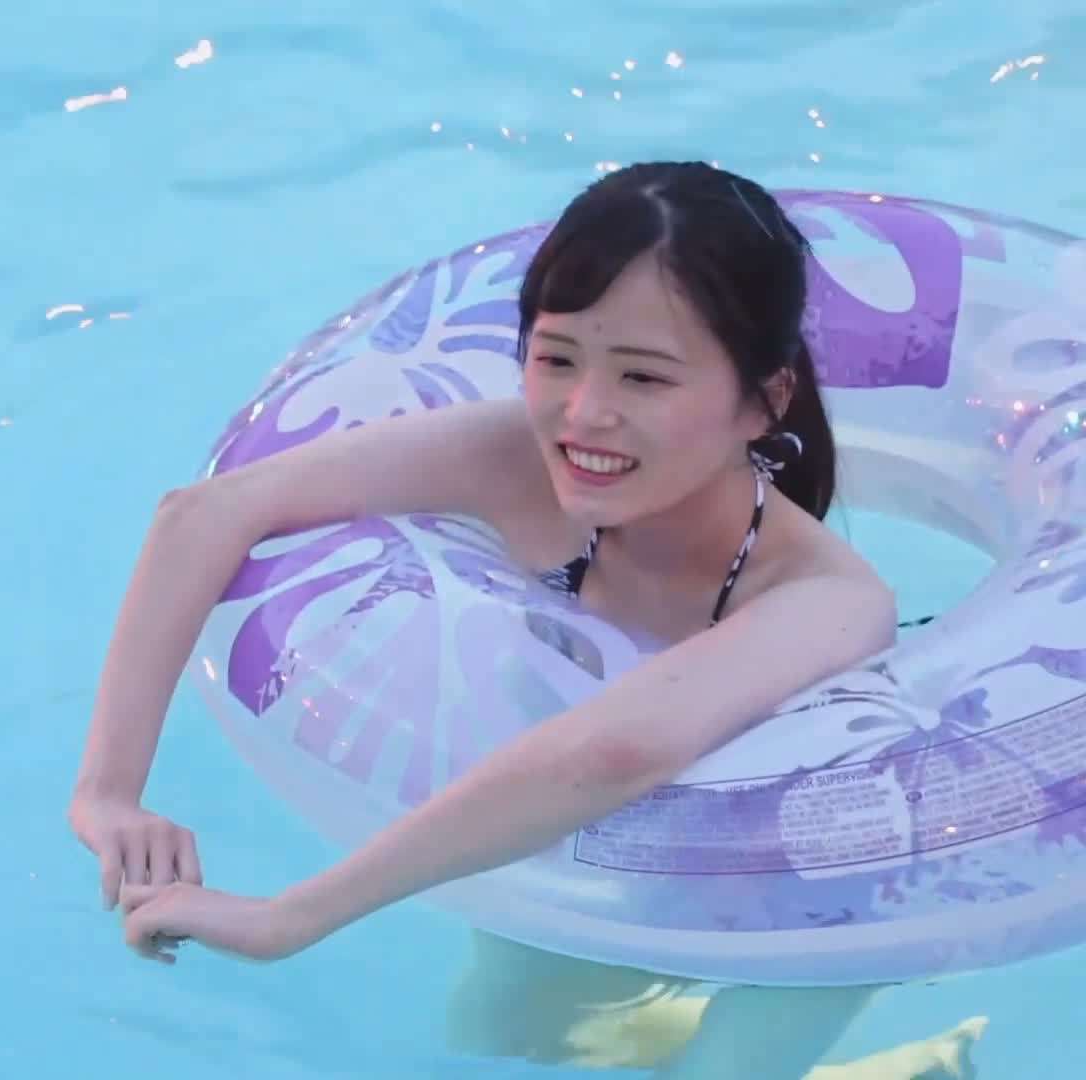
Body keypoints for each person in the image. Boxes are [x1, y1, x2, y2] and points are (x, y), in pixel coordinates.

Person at [66, 162, 989, 1079]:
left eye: (644, 377)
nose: (585, 415)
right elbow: (205, 514)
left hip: (803, 911)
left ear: (764, 400)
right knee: (497, 1031)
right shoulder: (515, 463)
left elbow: (616, 750)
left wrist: (291, 917)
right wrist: (108, 793)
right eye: (556, 359)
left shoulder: (829, 599)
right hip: (586, 852)